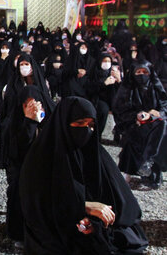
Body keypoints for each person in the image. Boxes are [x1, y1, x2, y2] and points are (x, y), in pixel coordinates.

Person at [19, 97, 148, 254]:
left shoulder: (96, 154)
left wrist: (96, 223)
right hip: (53, 230)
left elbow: (128, 207)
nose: (86, 130)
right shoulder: (41, 157)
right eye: (79, 123)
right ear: (63, 123)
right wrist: (82, 207)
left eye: (91, 125)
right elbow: (37, 206)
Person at [5, 85, 53, 245]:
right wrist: (30, 122)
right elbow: (17, 151)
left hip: (47, 164)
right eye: (27, 105)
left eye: (36, 103)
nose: (33, 108)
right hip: (22, 165)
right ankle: (18, 233)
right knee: (19, 186)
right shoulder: (14, 122)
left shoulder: (51, 121)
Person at [114, 61, 166, 189]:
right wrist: (136, 116)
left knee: (162, 126)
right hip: (133, 123)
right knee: (146, 132)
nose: (142, 75)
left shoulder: (156, 87)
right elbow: (119, 109)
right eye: (138, 72)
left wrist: (155, 114)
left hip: (156, 123)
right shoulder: (127, 88)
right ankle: (146, 165)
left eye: (145, 72)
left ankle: (151, 168)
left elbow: (165, 107)